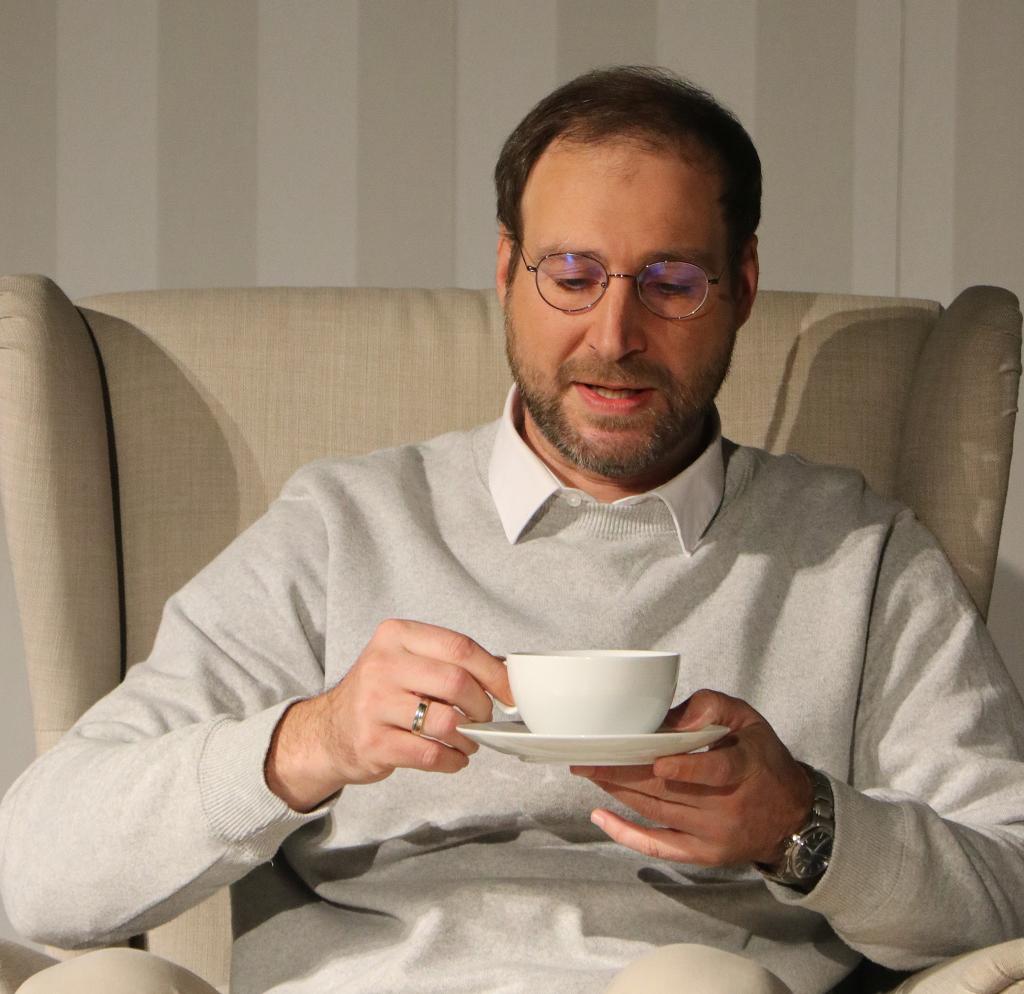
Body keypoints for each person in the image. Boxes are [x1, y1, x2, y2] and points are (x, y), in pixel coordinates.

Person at [2, 65, 1024, 994]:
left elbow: (1009, 883)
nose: (614, 337)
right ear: (506, 271)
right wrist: (310, 740)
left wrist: (801, 825)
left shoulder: (859, 556)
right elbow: (37, 873)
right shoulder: (342, 528)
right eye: (571, 276)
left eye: (670, 283)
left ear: (741, 287)